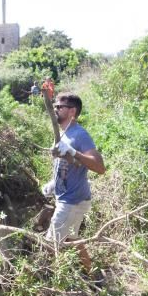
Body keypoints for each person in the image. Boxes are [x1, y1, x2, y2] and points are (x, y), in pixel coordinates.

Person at [44, 92, 106, 248]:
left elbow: (100, 167)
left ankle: (52, 272)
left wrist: (73, 152)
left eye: (59, 107)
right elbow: (68, 165)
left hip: (72, 202)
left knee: (51, 245)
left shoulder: (80, 134)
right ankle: (91, 273)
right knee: (73, 240)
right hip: (69, 198)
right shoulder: (63, 133)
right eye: (54, 106)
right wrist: (54, 183)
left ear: (72, 111)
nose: (55, 109)